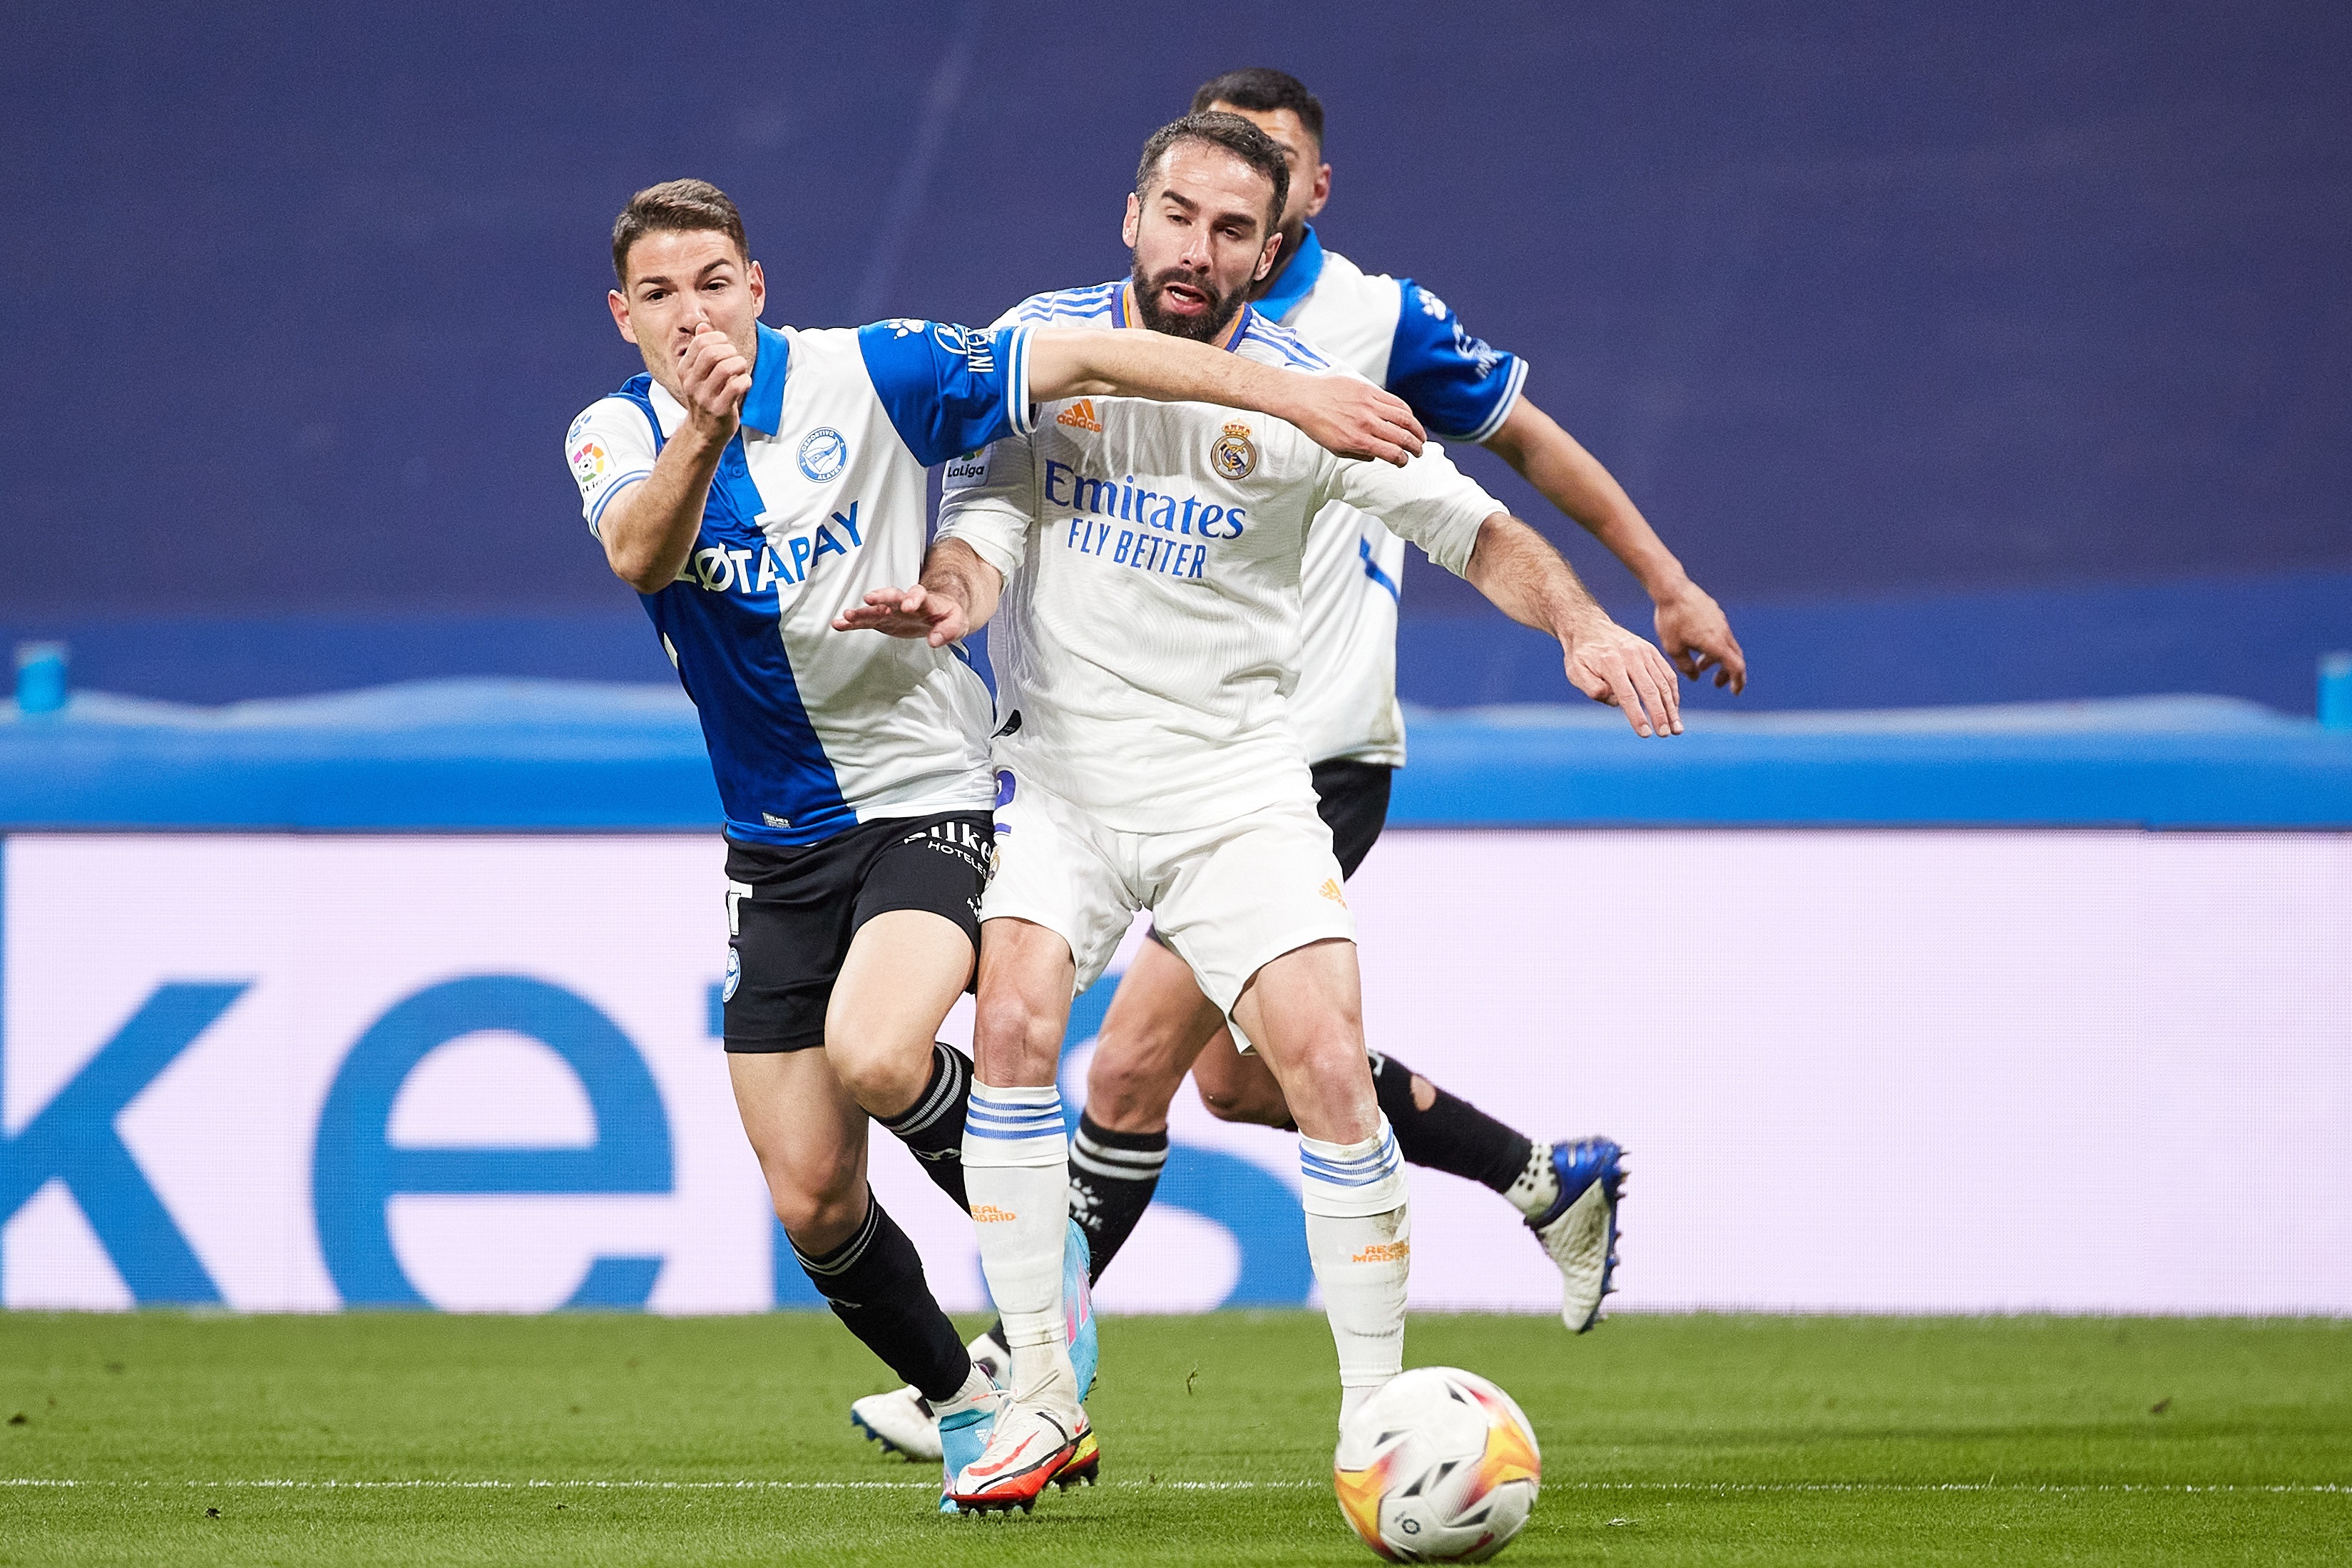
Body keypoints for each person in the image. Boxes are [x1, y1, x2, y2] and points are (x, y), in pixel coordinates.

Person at [847, 68, 1747, 1470]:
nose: (1194, 249)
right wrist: (955, 589)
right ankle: (1034, 1391)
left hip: (1235, 787)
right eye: (1174, 215)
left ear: (1269, 251)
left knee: (1318, 1061)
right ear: (1130, 215)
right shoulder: (1044, 341)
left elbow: (1477, 525)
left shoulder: (1314, 396)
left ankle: (1374, 1419)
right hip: (1062, 783)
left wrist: (1581, 616)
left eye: (1228, 229)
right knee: (1020, 1030)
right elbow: (991, 506)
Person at [563, 178, 1428, 1511]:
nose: (696, 315)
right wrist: (701, 429)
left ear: (758, 285)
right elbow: (639, 550)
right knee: (810, 1202)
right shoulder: (611, 436)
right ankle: (974, 1406)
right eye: (663, 297)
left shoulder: (874, 371)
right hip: (770, 847)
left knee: (878, 1049)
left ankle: (1054, 1268)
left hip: (928, 795)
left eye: (716, 282)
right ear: (626, 319)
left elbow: (1080, 350)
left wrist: (1292, 396)